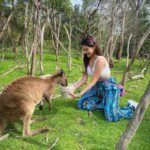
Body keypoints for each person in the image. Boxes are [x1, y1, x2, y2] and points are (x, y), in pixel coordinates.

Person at [70, 35, 137, 122]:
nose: (84, 52)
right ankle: (106, 104)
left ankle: (131, 107)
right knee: (81, 104)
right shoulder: (86, 59)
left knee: (111, 116)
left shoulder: (100, 60)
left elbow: (93, 81)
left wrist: (80, 93)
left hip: (108, 87)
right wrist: (72, 89)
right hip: (96, 87)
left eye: (86, 49)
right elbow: (84, 79)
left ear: (94, 47)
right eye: (83, 49)